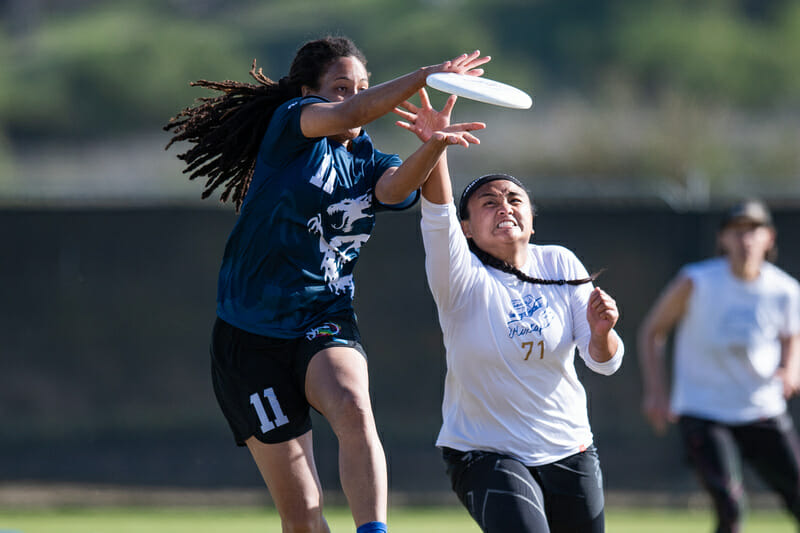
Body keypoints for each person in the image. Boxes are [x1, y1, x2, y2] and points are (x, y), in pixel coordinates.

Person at [164, 36, 489, 533]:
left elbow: (395, 189)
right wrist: (425, 74)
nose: (355, 98)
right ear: (307, 92)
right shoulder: (293, 126)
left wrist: (434, 147)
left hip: (324, 318)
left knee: (354, 406)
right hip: (249, 338)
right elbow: (351, 111)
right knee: (304, 520)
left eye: (360, 86)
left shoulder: (367, 159)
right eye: (341, 88)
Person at [393, 90, 624, 532]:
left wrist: (600, 332)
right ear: (468, 228)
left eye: (514, 200)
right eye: (489, 202)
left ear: (532, 220)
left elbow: (606, 363)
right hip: (486, 452)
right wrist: (436, 146)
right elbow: (437, 218)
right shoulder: (459, 276)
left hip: (569, 446)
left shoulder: (559, 261)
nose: (504, 207)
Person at [638, 199, 800, 533]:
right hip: (704, 410)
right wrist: (656, 391)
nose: (745, 240)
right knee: (729, 504)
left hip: (761, 407)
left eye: (753, 231)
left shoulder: (784, 289)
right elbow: (652, 332)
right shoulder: (696, 281)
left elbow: (791, 335)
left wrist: (791, 368)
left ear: (769, 237)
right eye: (736, 232)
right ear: (722, 239)